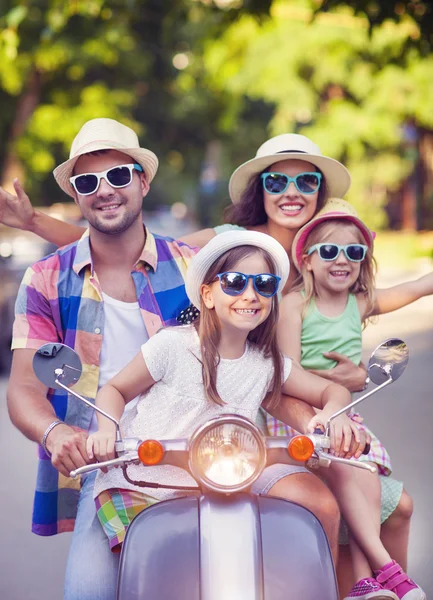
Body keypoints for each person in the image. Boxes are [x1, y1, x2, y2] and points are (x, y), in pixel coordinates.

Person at [1, 132, 412, 582]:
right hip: (112, 457)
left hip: (224, 449)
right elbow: (25, 387)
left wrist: (325, 412)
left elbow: (267, 374)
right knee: (90, 589)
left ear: (143, 182)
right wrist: (58, 433)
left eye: (118, 175)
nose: (104, 190)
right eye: (88, 183)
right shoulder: (48, 277)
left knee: (320, 508)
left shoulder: (200, 266)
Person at [86, 230, 359, 553]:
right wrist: (107, 429)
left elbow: (333, 390)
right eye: (234, 282)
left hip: (214, 486)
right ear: (208, 295)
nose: (250, 294)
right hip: (138, 482)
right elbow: (114, 389)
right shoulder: (173, 345)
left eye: (264, 284)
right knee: (154, 563)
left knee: (244, 554)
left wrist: (332, 415)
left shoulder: (267, 364)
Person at [278, 198, 432, 600]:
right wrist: (333, 386)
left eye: (354, 252)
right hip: (301, 416)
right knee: (354, 470)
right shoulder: (295, 305)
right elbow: (286, 371)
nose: (341, 259)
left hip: (343, 417)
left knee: (369, 481)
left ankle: (366, 582)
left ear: (363, 260)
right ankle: (382, 572)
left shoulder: (358, 303)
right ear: (307, 260)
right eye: (329, 251)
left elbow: (413, 288)